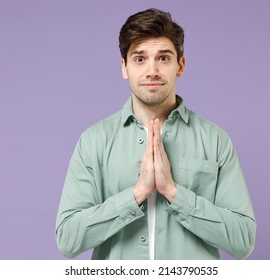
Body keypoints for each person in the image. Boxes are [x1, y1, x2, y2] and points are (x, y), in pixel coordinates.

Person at [55, 8, 256, 260]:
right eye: (140, 59)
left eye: (163, 58)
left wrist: (173, 192)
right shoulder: (93, 142)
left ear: (180, 65)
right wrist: (136, 194)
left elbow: (243, 240)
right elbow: (67, 239)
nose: (152, 70)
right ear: (124, 67)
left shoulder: (216, 141)